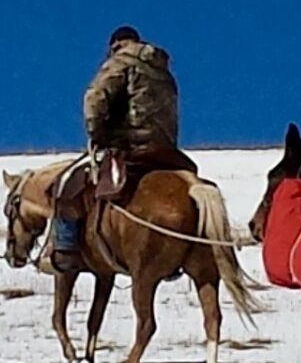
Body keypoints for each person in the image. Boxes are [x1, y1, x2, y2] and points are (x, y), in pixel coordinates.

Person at [51, 26, 194, 262]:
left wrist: (97, 132)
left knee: (69, 186)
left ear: (115, 45)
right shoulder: (164, 71)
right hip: (168, 151)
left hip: (131, 147)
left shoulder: (121, 61)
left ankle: (66, 249)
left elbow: (94, 98)